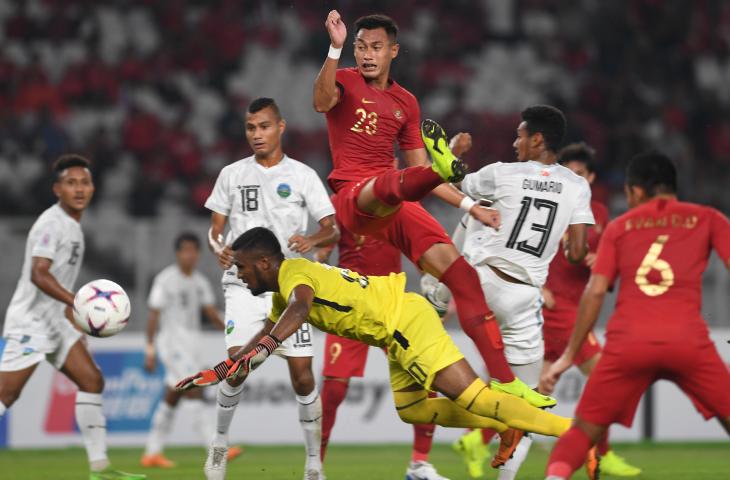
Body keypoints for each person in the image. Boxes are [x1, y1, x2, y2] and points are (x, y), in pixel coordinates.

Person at [313, 11, 553, 407]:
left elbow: (417, 170)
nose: (367, 55)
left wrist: (471, 204)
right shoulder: (344, 78)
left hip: (396, 200)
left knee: (463, 278)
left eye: (376, 47)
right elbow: (321, 102)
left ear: (394, 51)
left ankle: (505, 380)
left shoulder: (406, 102)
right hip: (354, 196)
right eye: (360, 46)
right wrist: (335, 48)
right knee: (390, 182)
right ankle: (444, 163)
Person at [176, 227, 575, 451]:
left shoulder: (293, 274)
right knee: (414, 410)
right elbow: (269, 329)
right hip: (396, 323)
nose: (240, 275)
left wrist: (263, 349)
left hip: (401, 322)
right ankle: (507, 426)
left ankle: (575, 435)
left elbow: (300, 310)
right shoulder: (284, 286)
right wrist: (224, 367)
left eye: (243, 268)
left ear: (265, 262)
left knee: (478, 398)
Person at [422, 107, 595, 480]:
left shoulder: (503, 173)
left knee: (472, 212)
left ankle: (435, 290)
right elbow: (578, 251)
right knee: (526, 404)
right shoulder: (578, 186)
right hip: (523, 298)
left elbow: (451, 183)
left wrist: (453, 152)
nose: (514, 142)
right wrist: (567, 248)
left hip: (481, 282)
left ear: (537, 139)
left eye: (520, 135)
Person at [541, 152, 730, 480]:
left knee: (582, 431)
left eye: (628, 194)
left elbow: (596, 292)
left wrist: (567, 355)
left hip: (628, 345)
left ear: (638, 192)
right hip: (688, 342)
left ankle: (555, 477)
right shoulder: (708, 218)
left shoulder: (619, 227)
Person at [204, 97, 338, 480]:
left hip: (288, 286)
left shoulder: (302, 175)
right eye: (250, 128)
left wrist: (313, 240)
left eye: (264, 126)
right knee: (237, 366)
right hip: (243, 284)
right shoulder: (231, 174)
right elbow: (215, 230)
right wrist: (218, 248)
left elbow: (331, 227)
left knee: (303, 377)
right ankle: (218, 445)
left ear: (280, 127)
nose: (257, 135)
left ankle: (313, 463)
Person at [0, 155, 145, 480]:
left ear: (92, 187)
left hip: (56, 323)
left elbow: (60, 284)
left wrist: (73, 318)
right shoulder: (52, 224)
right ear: (57, 189)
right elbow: (40, 274)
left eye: (84, 182)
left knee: (92, 381)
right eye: (71, 183)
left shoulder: (74, 228)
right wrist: (79, 302)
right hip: (31, 323)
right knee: (6, 394)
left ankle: (100, 469)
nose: (79, 189)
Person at [315, 220, 448, 480]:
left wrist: (435, 293)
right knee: (333, 391)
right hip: (348, 303)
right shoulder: (340, 201)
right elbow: (324, 248)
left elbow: (418, 253)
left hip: (391, 304)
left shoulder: (397, 204)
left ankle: (419, 465)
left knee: (425, 379)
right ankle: (314, 467)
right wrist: (319, 258)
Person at [539, 143, 640, 477]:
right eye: (569, 174)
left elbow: (602, 262)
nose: (574, 180)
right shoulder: (549, 205)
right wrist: (537, 287)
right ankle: (603, 454)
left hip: (577, 306)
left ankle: (478, 439)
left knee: (536, 386)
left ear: (592, 177)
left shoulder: (598, 212)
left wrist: (601, 265)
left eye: (580, 174)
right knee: (601, 380)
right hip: (558, 308)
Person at [140, 232, 235, 468]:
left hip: (192, 343)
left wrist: (233, 332)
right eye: (185, 250)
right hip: (172, 343)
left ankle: (152, 452)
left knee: (172, 396)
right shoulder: (165, 279)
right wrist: (150, 349)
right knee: (194, 389)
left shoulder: (199, 281)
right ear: (177, 253)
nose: (190, 255)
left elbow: (211, 313)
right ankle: (215, 448)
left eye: (194, 250)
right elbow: (154, 314)